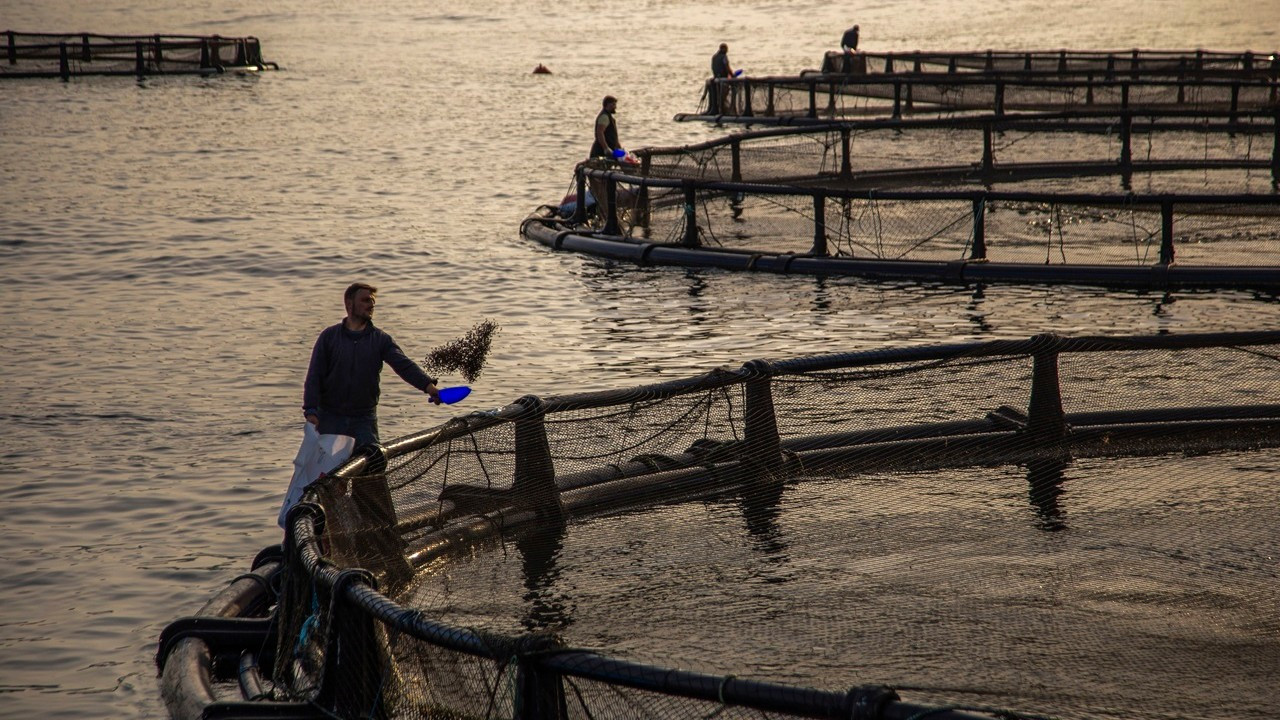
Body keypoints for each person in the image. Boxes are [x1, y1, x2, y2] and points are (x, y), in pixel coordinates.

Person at [302, 282, 441, 449]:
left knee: (373, 468)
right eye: (366, 300)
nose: (371, 305)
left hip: (364, 420)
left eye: (373, 301)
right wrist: (311, 411)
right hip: (330, 418)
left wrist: (429, 386)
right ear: (349, 303)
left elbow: (404, 366)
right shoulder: (329, 337)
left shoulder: (380, 339)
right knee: (330, 471)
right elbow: (314, 376)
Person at [710, 43, 736, 114]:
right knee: (725, 92)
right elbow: (727, 67)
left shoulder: (714, 57)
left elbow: (712, 67)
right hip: (723, 78)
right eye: (726, 49)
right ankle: (722, 107)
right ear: (723, 49)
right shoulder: (724, 57)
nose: (727, 51)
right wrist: (733, 76)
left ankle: (719, 106)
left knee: (719, 93)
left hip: (716, 78)